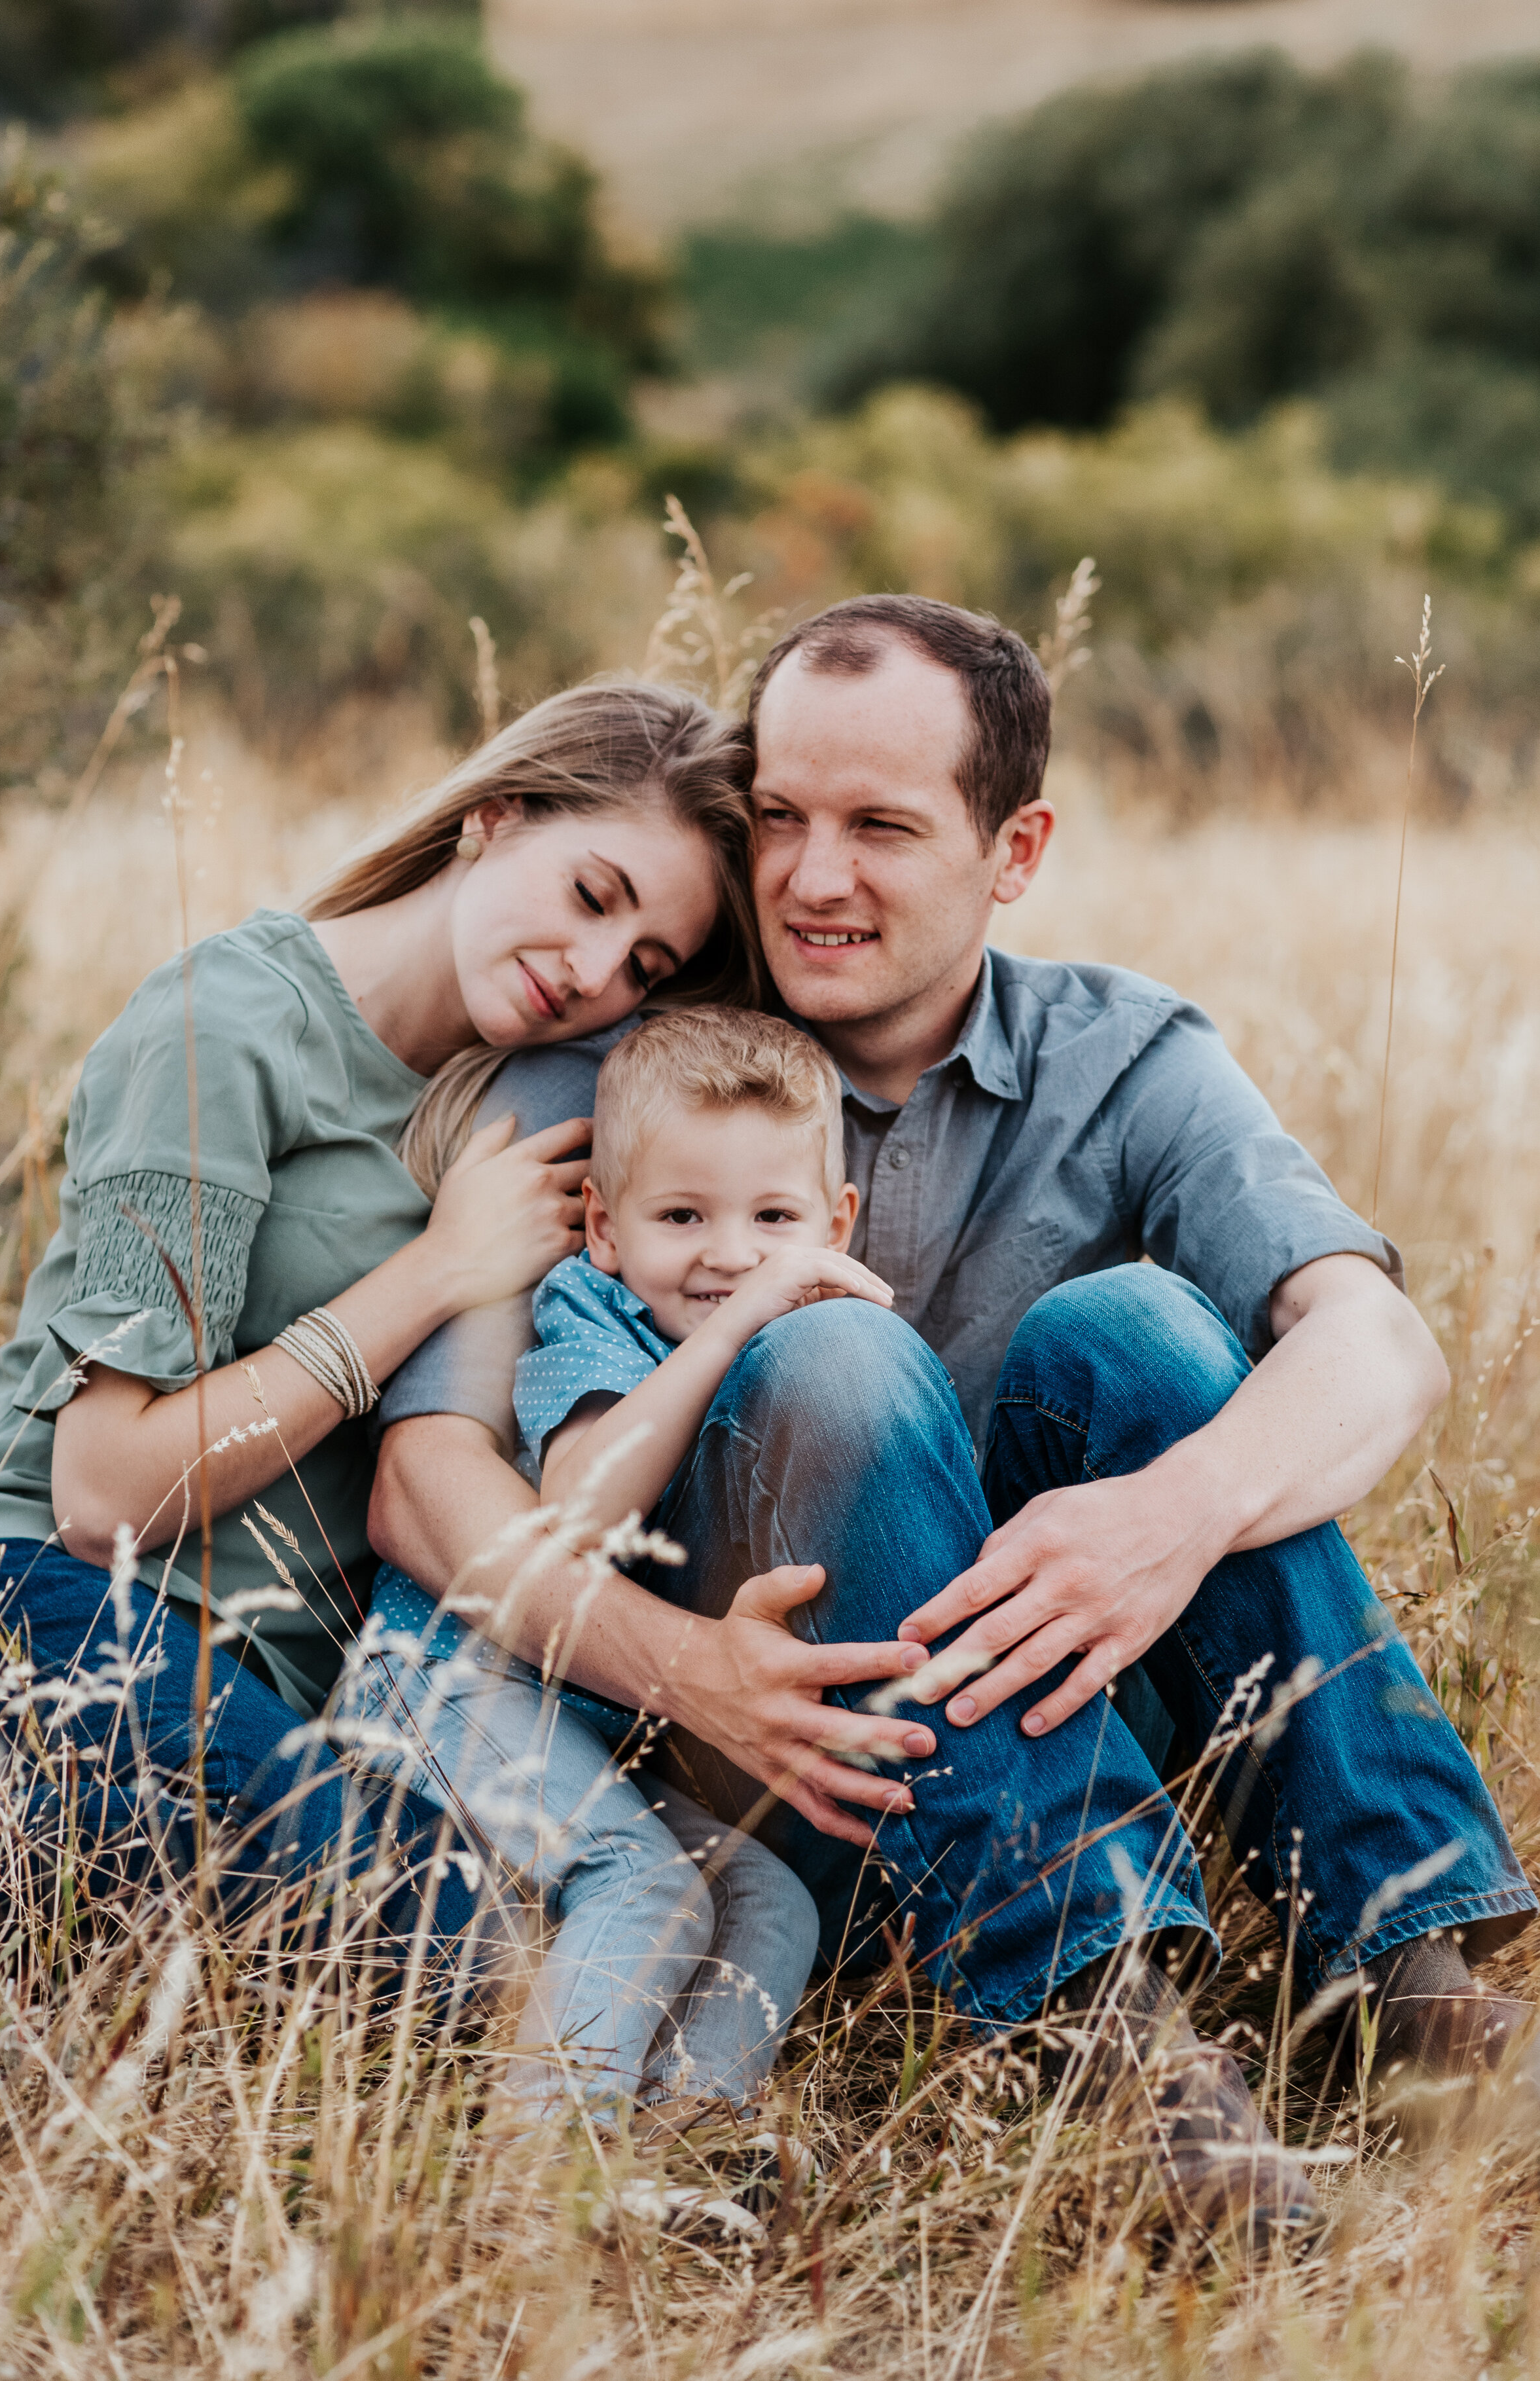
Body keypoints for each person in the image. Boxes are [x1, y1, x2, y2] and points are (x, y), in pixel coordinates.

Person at [369, 596, 1538, 2247]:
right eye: (777, 816)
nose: (809, 878)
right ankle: (1114, 2054)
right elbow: (425, 1491)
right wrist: (678, 1660)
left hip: (1053, 1723)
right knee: (833, 1361)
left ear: (1014, 849)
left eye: (880, 829)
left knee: (1129, 1331)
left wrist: (1173, 1508)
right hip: (776, 1785)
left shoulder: (1122, 1056)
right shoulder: (638, 1078)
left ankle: (1406, 1980)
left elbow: (1379, 1346)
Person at [0, 682, 762, 1952]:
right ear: (496, 814)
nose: (590, 973)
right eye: (591, 895)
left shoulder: (545, 1096)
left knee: (652, 1916)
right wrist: (434, 1271)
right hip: (22, 1589)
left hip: (287, 1690)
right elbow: (103, 1491)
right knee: (454, 1948)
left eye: (641, 964)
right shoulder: (225, 1025)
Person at [352, 1008, 889, 2133]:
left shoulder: (811, 1340)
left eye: (773, 1218)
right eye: (683, 1215)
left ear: (837, 1222)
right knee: (640, 1882)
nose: (730, 1252)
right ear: (604, 1224)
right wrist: (736, 1324)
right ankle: (536, 2167)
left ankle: (679, 2143)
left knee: (768, 1904)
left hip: (571, 1722)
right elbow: (582, 1506)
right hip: (443, 1681)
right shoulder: (594, 1314)